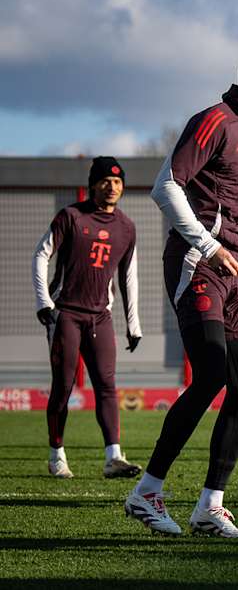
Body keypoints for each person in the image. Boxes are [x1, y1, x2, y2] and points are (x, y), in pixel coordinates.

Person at [124, 43, 238, 539]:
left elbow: (230, 210)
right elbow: (165, 187)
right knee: (212, 373)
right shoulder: (214, 120)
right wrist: (209, 245)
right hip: (199, 264)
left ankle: (209, 507)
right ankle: (146, 491)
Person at [32, 156, 143, 480]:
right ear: (93, 184)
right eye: (105, 181)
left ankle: (113, 458)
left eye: (118, 182)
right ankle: (56, 454)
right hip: (65, 313)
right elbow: (41, 254)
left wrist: (133, 323)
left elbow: (129, 276)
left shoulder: (126, 227)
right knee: (63, 386)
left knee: (107, 385)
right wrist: (44, 302)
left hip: (100, 317)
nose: (112, 187)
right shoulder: (70, 216)